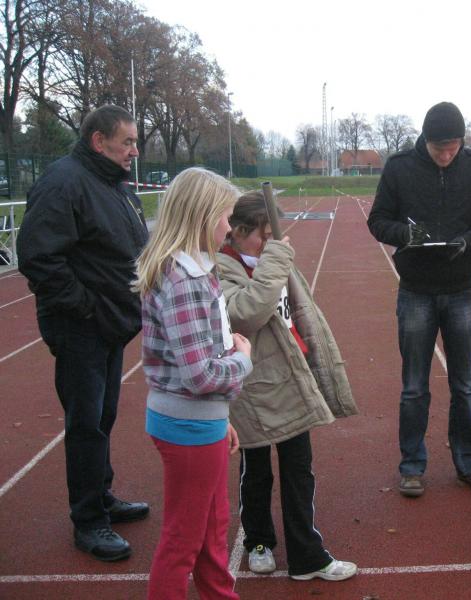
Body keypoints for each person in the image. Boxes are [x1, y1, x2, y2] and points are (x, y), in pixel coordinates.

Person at [17, 105, 150, 561]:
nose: (135, 150)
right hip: (82, 328)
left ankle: (101, 495)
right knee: (86, 423)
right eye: (128, 141)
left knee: (103, 416)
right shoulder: (64, 182)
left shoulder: (112, 184)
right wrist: (87, 308)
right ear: (99, 141)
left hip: (110, 324)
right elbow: (38, 257)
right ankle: (89, 521)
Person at [217, 190, 359, 581]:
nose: (269, 243)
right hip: (255, 385)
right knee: (256, 470)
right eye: (262, 236)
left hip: (290, 377)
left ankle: (306, 556)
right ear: (238, 232)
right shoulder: (221, 268)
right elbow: (245, 313)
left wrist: (314, 353)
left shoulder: (272, 258)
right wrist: (275, 260)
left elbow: (299, 308)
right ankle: (258, 541)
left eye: (273, 236)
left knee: (299, 469)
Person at [367, 101, 471, 498]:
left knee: (465, 384)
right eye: (439, 148)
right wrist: (407, 236)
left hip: (461, 289)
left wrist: (468, 242)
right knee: (414, 386)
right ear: (425, 141)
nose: (446, 156)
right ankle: (412, 466)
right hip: (416, 290)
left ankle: (470, 464)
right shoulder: (399, 168)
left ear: (462, 141)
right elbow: (378, 220)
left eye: (453, 148)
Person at [134, 167, 253, 600]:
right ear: (202, 216)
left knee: (212, 528)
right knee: (183, 540)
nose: (229, 227)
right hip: (187, 425)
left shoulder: (197, 270)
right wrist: (244, 361)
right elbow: (200, 374)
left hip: (201, 421)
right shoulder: (183, 280)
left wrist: (221, 418)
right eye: (225, 216)